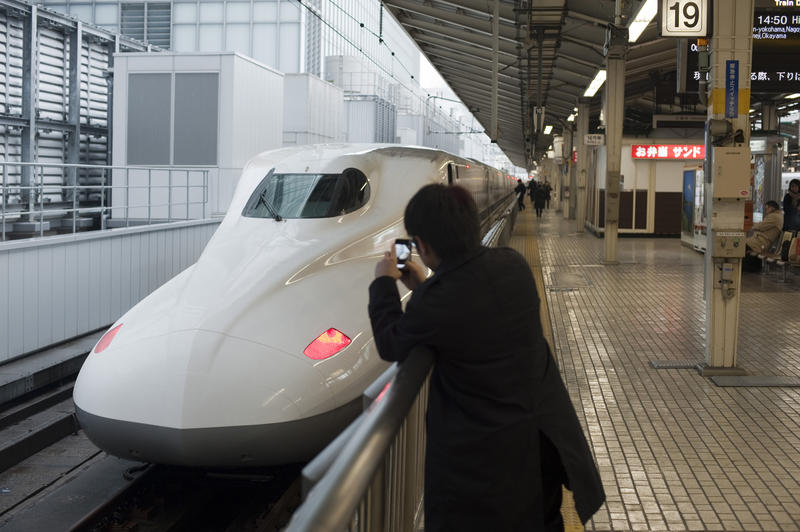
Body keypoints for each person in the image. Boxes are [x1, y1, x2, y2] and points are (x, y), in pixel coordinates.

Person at [368, 184, 605, 532]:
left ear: (425, 245)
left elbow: (391, 343)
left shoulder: (438, 301)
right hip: (540, 447)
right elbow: (472, 311)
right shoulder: (514, 265)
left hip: (489, 470)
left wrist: (383, 285)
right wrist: (424, 286)